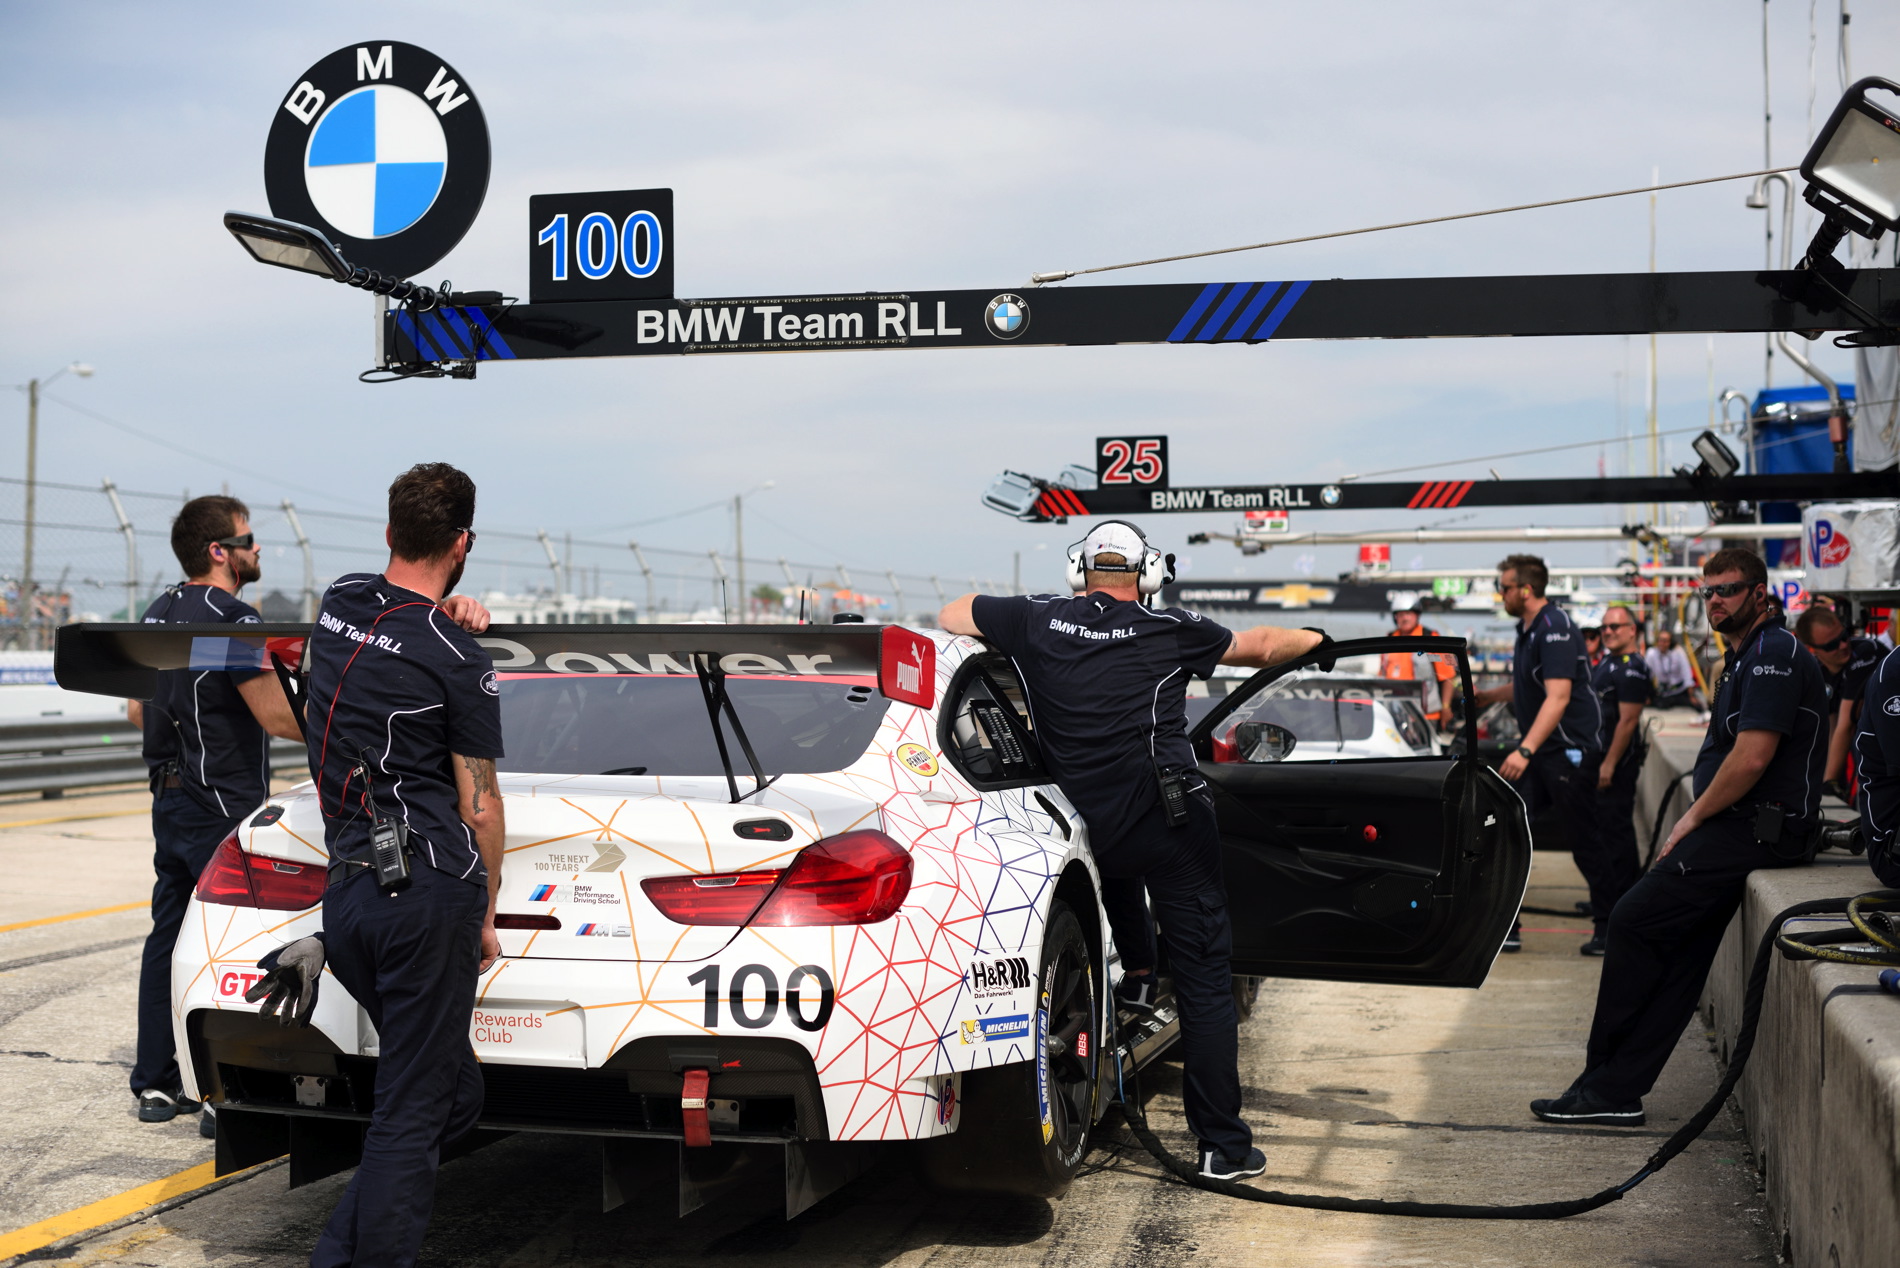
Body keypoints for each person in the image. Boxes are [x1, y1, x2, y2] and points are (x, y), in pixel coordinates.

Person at [937, 520, 1324, 1183]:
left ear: (1078, 572)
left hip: (1091, 829)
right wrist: (1318, 640)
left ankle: (1137, 973)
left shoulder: (1034, 620)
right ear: (1146, 575)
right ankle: (1222, 1149)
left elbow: (953, 614)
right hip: (1171, 824)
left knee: (1115, 879)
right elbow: (1261, 647)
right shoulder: (1169, 627)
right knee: (1205, 979)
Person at [1532, 549, 1825, 1125]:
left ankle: (1604, 1085)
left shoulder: (1773, 653)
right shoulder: (1744, 655)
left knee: (1631, 919)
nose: (1715, 601)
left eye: (1727, 590)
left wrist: (1691, 819)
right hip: (1743, 825)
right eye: (1707, 592)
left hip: (1755, 829)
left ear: (1759, 593)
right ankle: (1612, 1091)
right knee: (1684, 957)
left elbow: (1752, 757)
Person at [303, 464, 502, 1268]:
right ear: (463, 543)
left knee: (452, 1096)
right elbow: (480, 805)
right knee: (412, 1116)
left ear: (389, 533)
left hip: (348, 898)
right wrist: (486, 913)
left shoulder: (338, 602)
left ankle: (335, 1253)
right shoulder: (459, 656)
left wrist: (443, 608)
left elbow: (392, 619)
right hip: (425, 897)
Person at [126, 496, 302, 1127]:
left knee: (167, 937)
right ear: (219, 552)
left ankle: (155, 1083)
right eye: (249, 540)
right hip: (223, 804)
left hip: (168, 798)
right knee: (235, 942)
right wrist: (345, 724)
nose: (258, 549)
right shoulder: (233, 618)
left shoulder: (156, 613)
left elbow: (135, 711)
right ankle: (224, 1095)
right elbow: (276, 717)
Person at [1467, 555, 1603, 952]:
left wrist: (1524, 750)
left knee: (1585, 841)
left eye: (1505, 587)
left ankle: (1611, 927)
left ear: (1525, 590)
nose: (1501, 594)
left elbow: (1558, 696)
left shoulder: (1554, 627)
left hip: (1566, 751)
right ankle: (1506, 926)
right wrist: (1488, 696)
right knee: (1507, 829)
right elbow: (1527, 686)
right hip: (1543, 751)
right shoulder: (1527, 630)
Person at [1582, 605, 1653, 956]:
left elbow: (1628, 721)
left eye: (1615, 626)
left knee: (1615, 844)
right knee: (1602, 838)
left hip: (1615, 768)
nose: (1608, 632)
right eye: (1604, 627)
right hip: (1598, 763)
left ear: (1631, 630)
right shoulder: (1607, 663)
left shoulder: (1632, 668)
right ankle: (1608, 902)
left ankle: (1618, 920)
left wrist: (1609, 765)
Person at [1793, 605, 1883, 801]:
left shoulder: (1866, 652)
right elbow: (1830, 726)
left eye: (1844, 636)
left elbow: (1846, 724)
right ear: (1812, 649)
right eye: (1832, 645)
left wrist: (1829, 782)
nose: (1843, 645)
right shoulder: (1818, 671)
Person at [1380, 600, 1456, 724]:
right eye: (1400, 614)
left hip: (1426, 716)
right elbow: (1382, 675)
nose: (1405, 618)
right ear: (1395, 617)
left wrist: (1446, 707)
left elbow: (1448, 675)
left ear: (1417, 615)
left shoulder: (1431, 637)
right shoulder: (1389, 639)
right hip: (1394, 713)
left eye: (1409, 614)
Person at [1645, 628, 1701, 710]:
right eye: (1660, 640)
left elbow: (1687, 675)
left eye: (1665, 641)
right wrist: (1646, 695)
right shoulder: (1652, 654)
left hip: (1680, 691)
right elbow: (1647, 676)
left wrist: (1691, 696)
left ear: (1670, 642)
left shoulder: (1678, 652)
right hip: (1663, 692)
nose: (1662, 643)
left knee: (1696, 706)